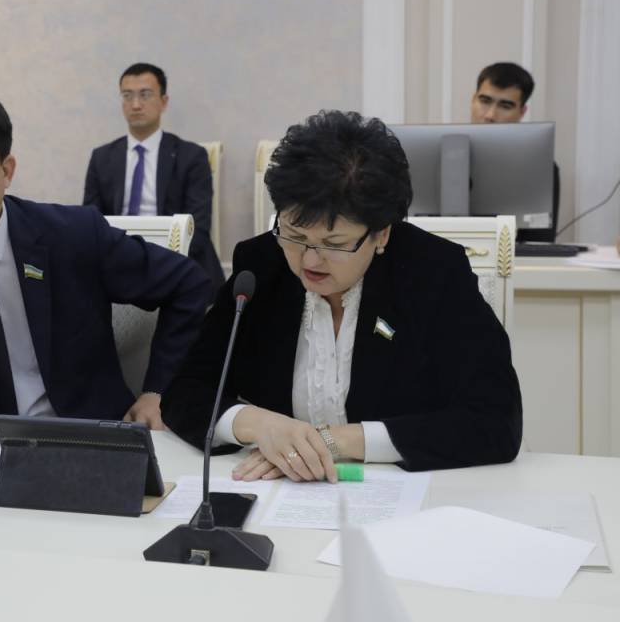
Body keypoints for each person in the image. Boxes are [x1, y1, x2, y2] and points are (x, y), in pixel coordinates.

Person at [161, 110, 523, 480]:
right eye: (295, 236)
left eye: (334, 244)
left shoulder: (432, 272)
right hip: (281, 492)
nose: (309, 260)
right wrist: (259, 426)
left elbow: (495, 420)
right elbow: (184, 391)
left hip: (401, 491)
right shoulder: (261, 265)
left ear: (381, 234)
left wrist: (334, 442)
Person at [0, 89, 211, 427]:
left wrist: (159, 391)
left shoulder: (71, 234)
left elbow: (189, 284)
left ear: (6, 172)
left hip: (86, 440)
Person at [84, 63, 225, 293]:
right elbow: (90, 222)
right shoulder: (102, 158)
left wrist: (154, 264)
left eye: (145, 94)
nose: (135, 104)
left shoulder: (191, 156)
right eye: (127, 96)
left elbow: (197, 229)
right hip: (117, 264)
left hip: (177, 264)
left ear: (163, 101)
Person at [470, 62, 559, 242]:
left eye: (505, 106)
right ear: (473, 100)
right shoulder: (437, 158)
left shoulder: (539, 169)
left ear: (522, 111)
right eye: (484, 101)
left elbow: (539, 243)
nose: (490, 115)